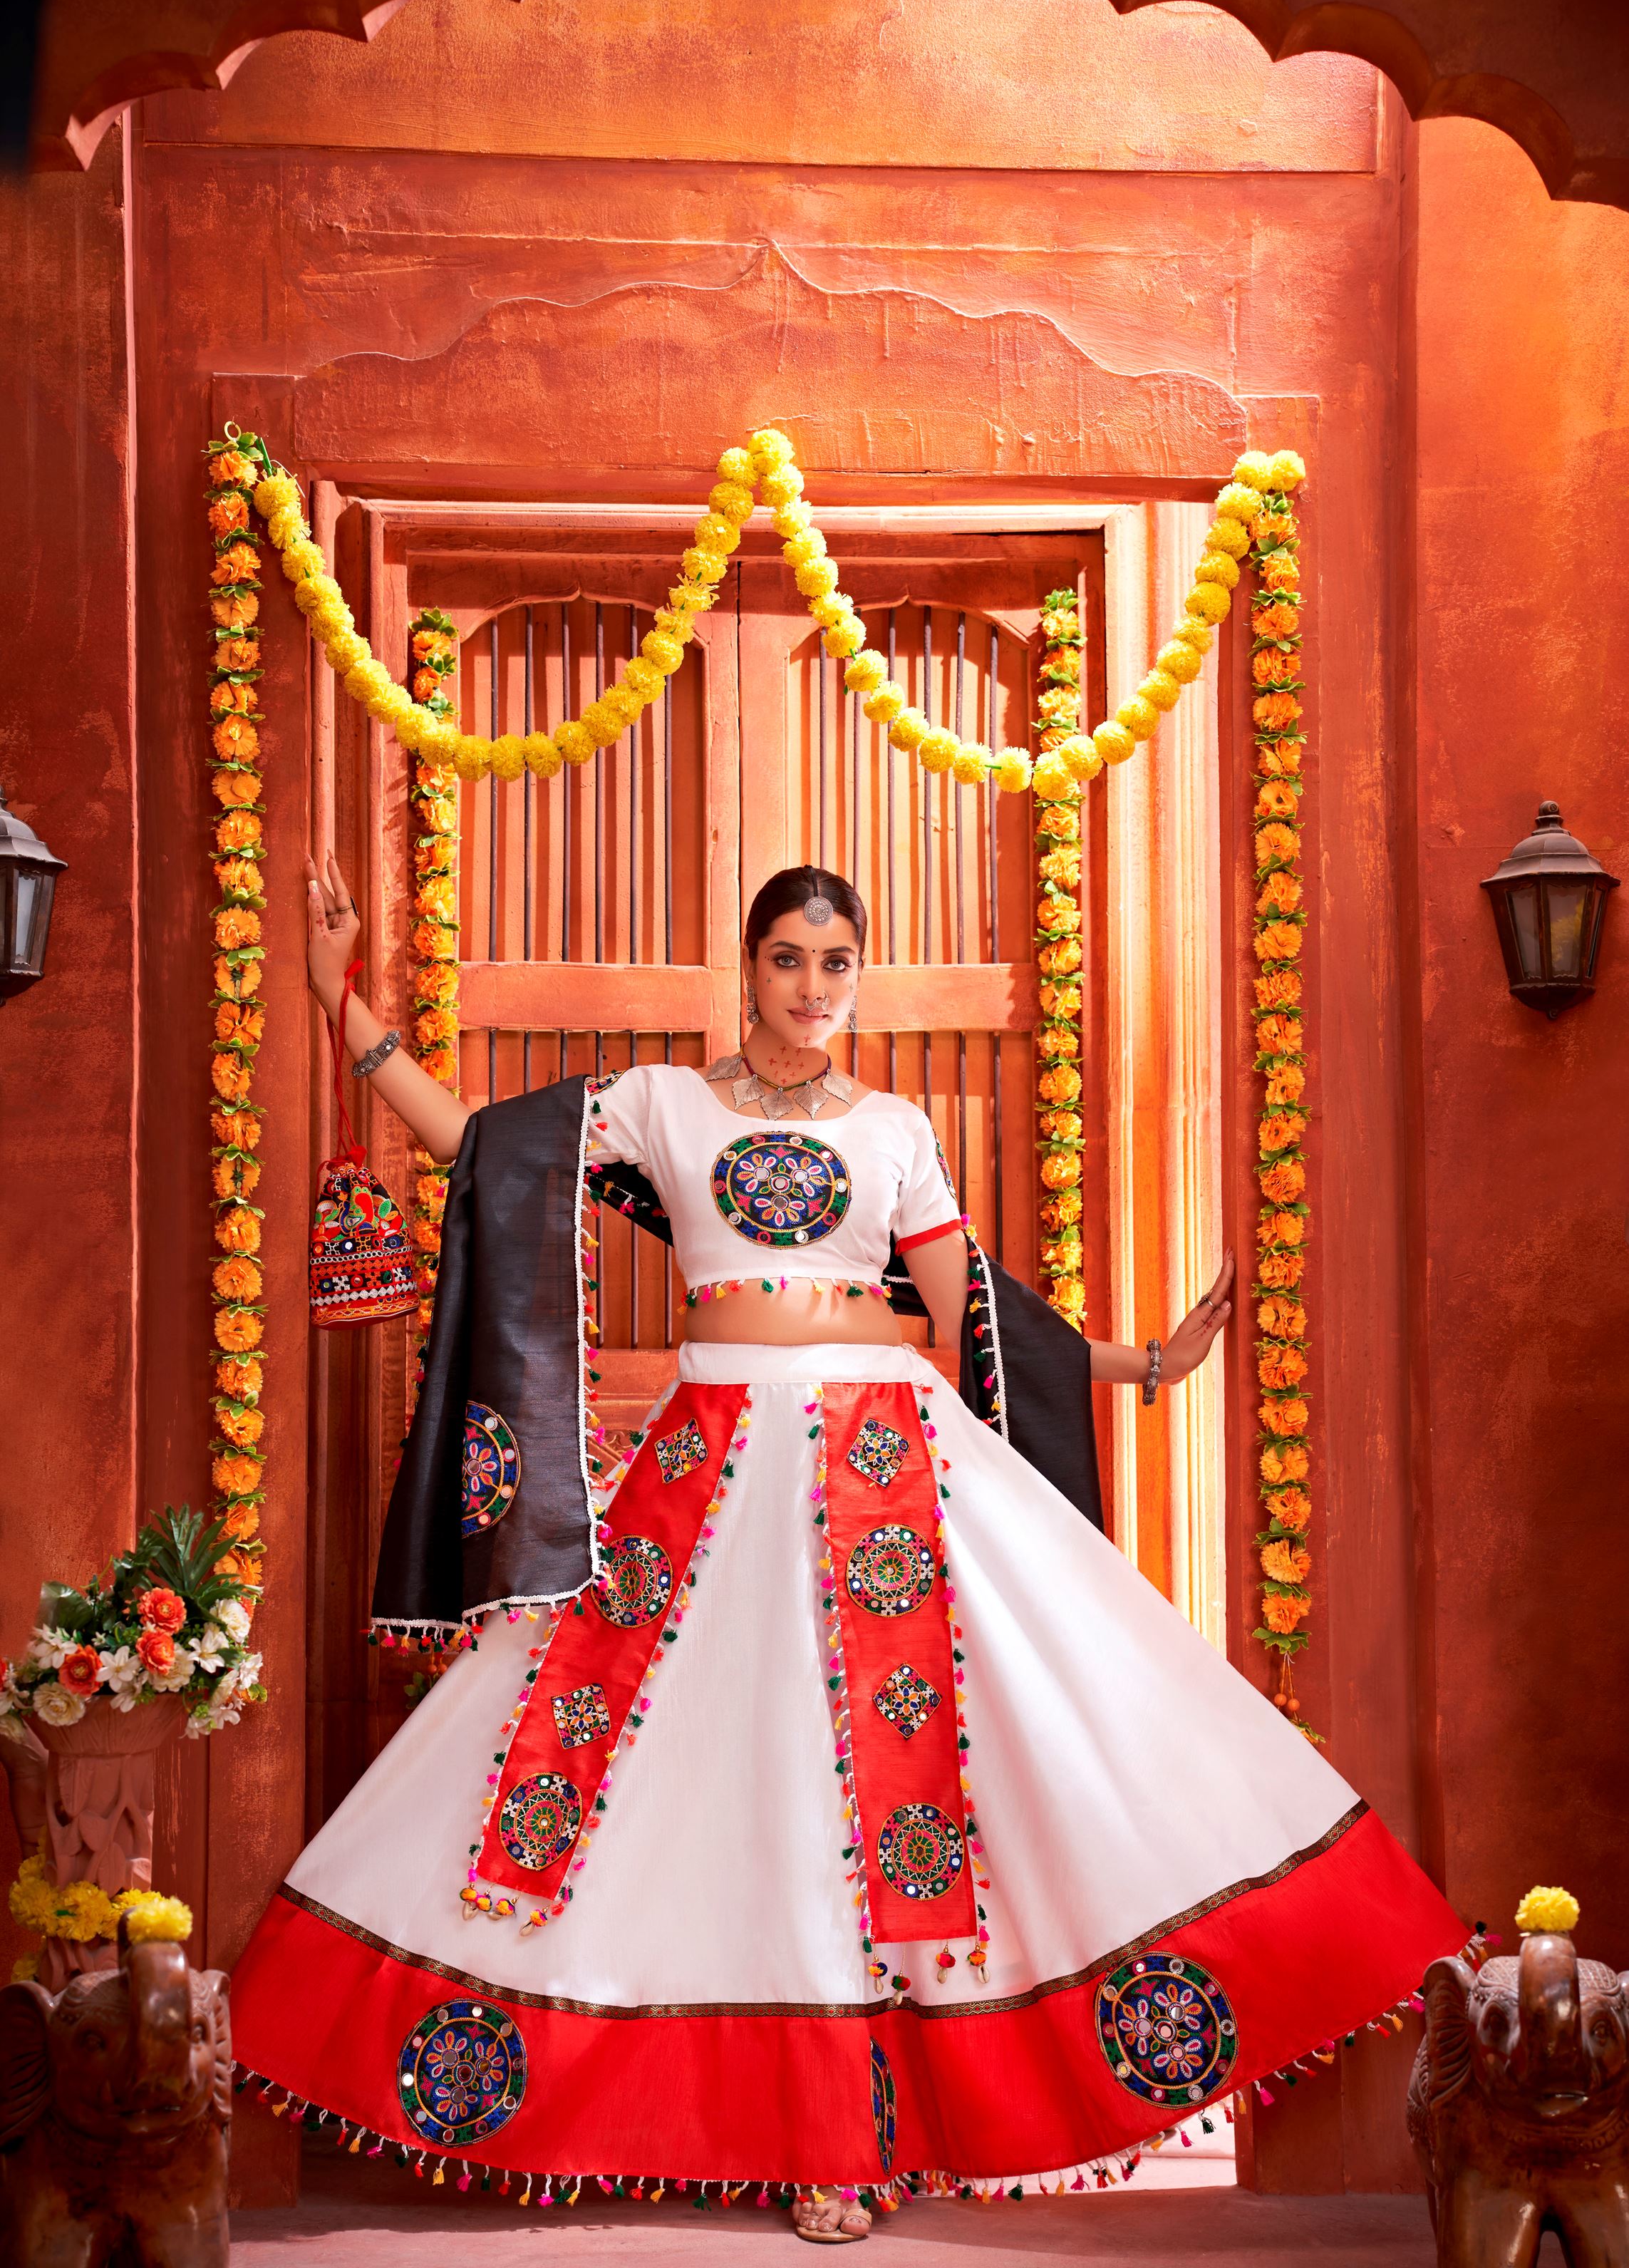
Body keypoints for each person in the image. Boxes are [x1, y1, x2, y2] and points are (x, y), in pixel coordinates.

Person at [229, 855, 1463, 2244]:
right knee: (709, 1778)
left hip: (887, 1461)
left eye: (835, 964)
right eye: (788, 960)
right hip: (713, 1465)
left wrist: (1141, 1364)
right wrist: (344, 1007)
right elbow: (481, 1143)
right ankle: (742, 2113)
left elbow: (972, 1308)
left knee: (941, 1756)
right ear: (747, 969)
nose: (811, 988)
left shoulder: (893, 1130)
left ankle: (852, 2137)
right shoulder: (664, 1102)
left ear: (856, 979)